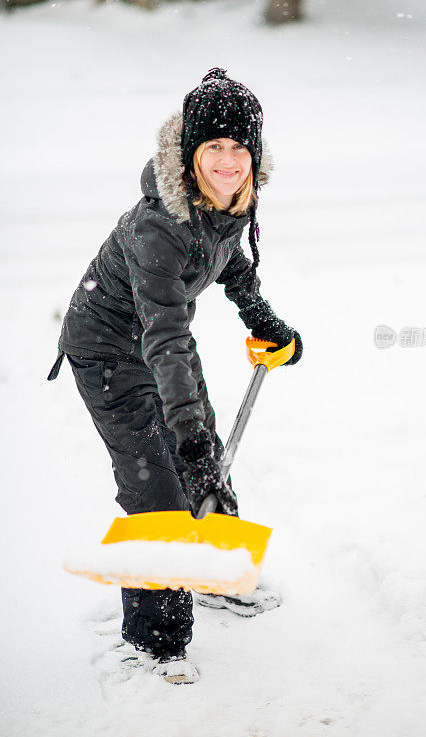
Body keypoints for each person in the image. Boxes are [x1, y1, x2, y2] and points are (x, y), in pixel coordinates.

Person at [48, 68, 302, 684]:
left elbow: (230, 260)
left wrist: (262, 315)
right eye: (212, 147)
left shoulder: (228, 203)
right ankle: (152, 643)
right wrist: (184, 427)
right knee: (156, 481)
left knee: (205, 455)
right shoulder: (158, 225)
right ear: (189, 154)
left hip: (160, 345)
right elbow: (164, 333)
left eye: (239, 147)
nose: (227, 160)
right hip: (109, 349)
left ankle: (218, 573)